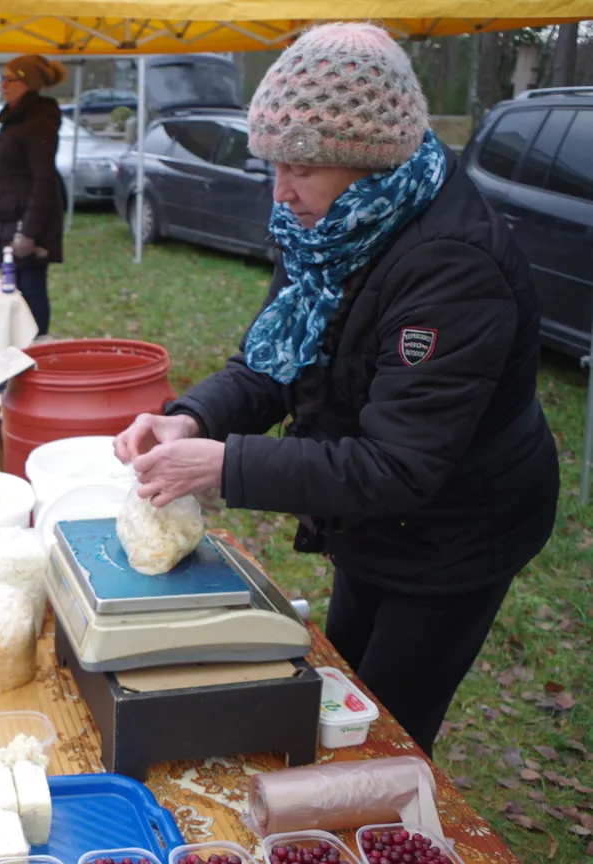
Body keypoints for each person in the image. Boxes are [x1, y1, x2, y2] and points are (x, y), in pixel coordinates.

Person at [113, 23, 559, 757]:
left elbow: (399, 465)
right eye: (274, 166)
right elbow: (274, 361)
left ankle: (364, 819)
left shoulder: (452, 268)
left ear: (368, 160)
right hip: (374, 520)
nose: (280, 192)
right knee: (339, 675)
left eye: (301, 168)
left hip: (458, 529)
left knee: (381, 727)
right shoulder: (329, 228)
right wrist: (192, 419)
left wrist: (227, 465)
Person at [0, 55, 65, 338]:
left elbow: (43, 181)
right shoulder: (14, 118)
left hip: (26, 223)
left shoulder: (38, 120)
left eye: (10, 79)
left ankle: (37, 352)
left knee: (30, 290)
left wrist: (29, 232)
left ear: (28, 83)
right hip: (9, 217)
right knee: (13, 290)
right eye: (2, 78)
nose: (3, 85)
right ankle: (15, 353)